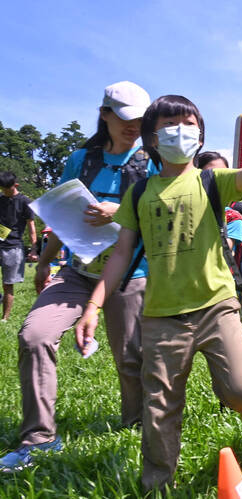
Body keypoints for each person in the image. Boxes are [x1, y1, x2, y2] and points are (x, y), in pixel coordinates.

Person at [73, 94, 242, 491]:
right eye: (169, 125)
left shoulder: (213, 180)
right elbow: (121, 252)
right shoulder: (139, 194)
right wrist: (93, 305)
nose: (180, 131)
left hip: (217, 307)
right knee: (159, 407)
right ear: (152, 139)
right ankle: (157, 484)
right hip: (161, 317)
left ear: (200, 133)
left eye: (188, 124)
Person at [0, 81, 156, 473]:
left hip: (130, 274)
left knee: (130, 358)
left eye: (139, 120)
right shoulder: (80, 160)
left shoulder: (152, 163)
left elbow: (158, 220)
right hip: (78, 271)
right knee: (34, 335)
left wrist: (118, 212)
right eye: (124, 119)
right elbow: (61, 214)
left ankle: (136, 430)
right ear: (104, 114)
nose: (132, 127)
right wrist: (43, 262)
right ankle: (38, 440)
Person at [0, 171, 38, 321]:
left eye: (6, 189)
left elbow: (31, 227)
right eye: (1, 189)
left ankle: (4, 318)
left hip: (13, 247)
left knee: (7, 284)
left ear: (15, 185)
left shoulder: (25, 202)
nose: (4, 192)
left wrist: (34, 249)